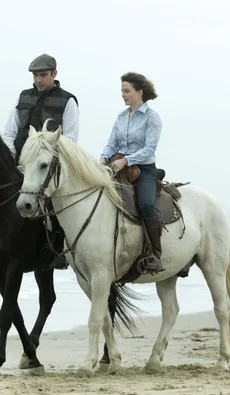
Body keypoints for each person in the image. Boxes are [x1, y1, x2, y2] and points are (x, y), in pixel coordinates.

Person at [0, 53, 80, 269]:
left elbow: (70, 140)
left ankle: (59, 249)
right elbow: (9, 132)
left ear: (54, 74)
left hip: (48, 166)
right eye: (36, 75)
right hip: (20, 162)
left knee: (54, 200)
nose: (39, 80)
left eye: (43, 75)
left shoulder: (68, 100)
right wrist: (13, 160)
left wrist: (44, 160)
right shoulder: (23, 97)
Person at [99, 72, 164, 274]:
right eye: (122, 91)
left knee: (145, 204)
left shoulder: (152, 118)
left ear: (139, 92)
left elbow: (149, 149)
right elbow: (112, 144)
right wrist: (103, 158)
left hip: (143, 169)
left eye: (126, 91)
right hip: (118, 166)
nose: (123, 95)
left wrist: (126, 160)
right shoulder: (121, 116)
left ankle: (156, 254)